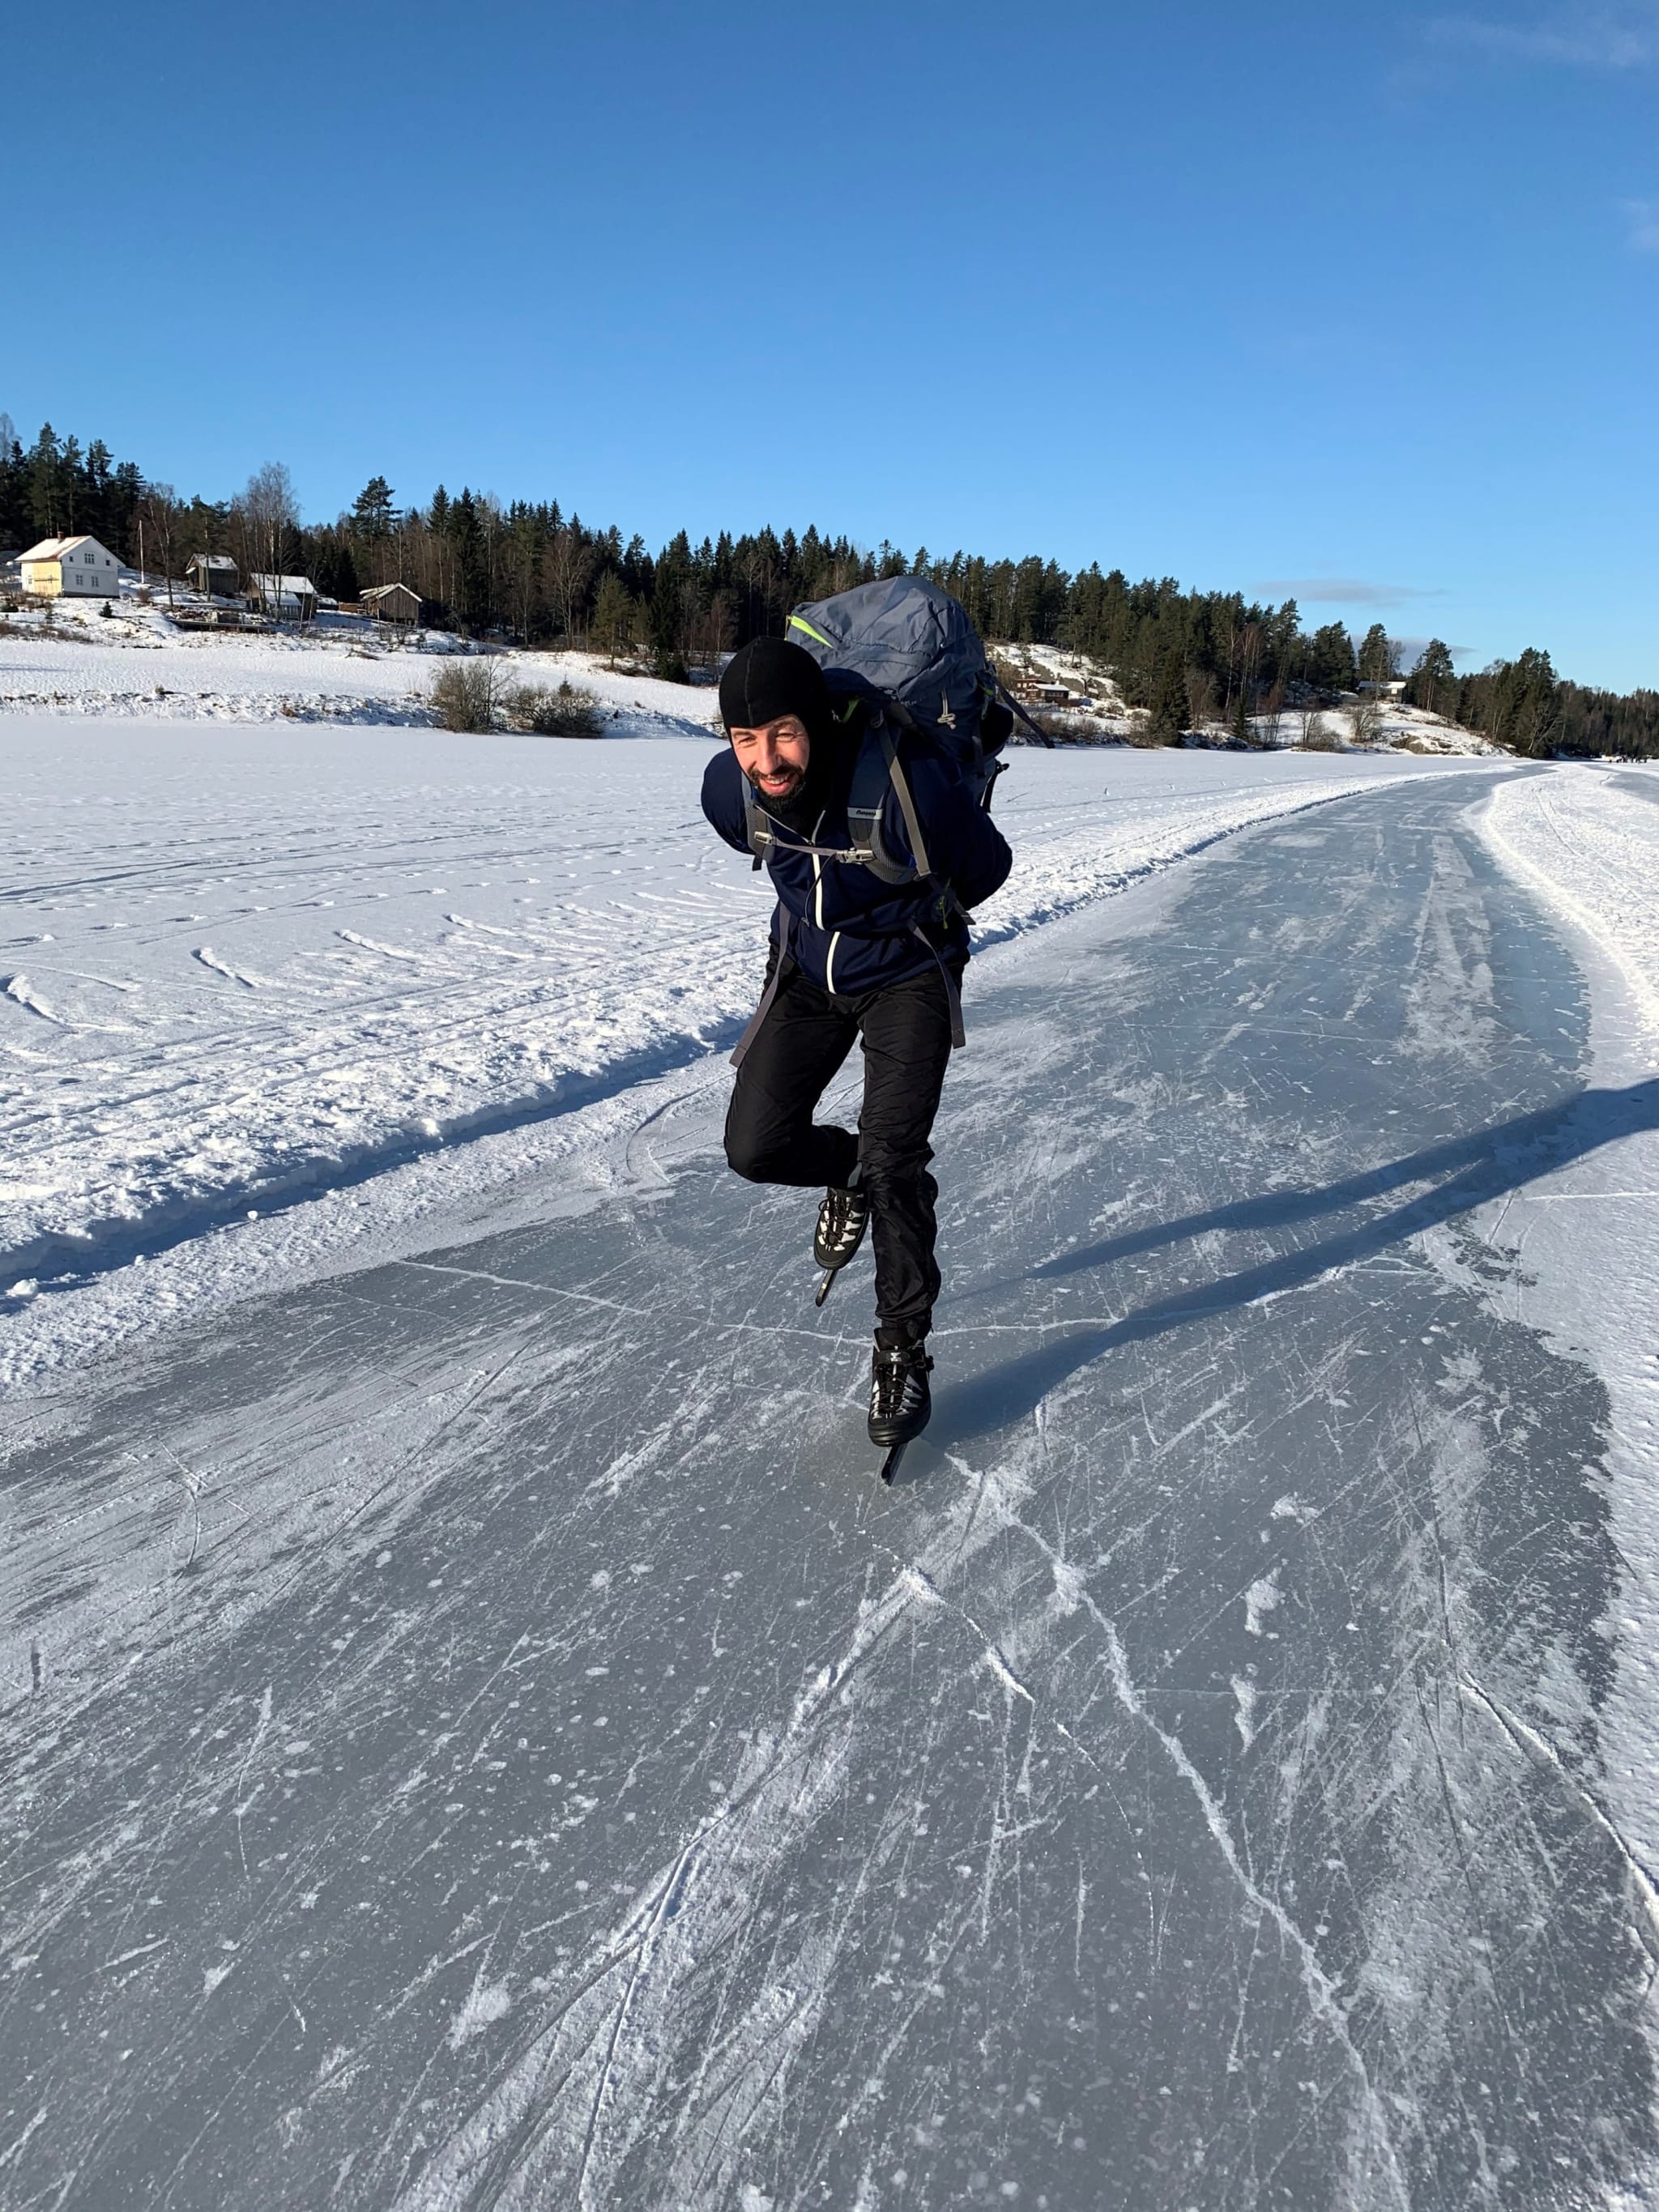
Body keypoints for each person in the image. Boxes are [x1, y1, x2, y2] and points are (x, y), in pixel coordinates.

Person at [702, 634, 1013, 1450]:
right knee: (753, 1147)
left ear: (817, 721)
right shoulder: (727, 792)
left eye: (782, 733)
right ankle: (845, 1174)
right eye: (744, 739)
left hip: (904, 974)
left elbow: (986, 866)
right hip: (806, 971)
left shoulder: (904, 784)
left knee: (895, 1162)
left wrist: (907, 898)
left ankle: (901, 1347)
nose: (765, 758)